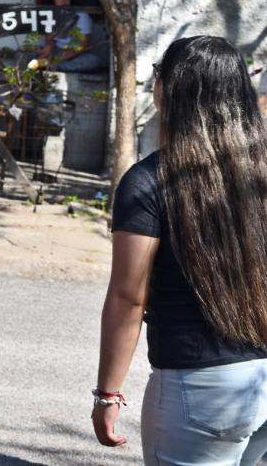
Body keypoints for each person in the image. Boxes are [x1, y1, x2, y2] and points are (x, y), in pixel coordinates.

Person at [93, 35, 267, 464]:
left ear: (170, 89)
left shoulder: (150, 181)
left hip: (199, 388)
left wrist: (107, 394)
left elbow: (128, 298)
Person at [38, 0, 106, 73]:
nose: (63, 1)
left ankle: (59, 67)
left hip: (77, 53)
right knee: (32, 57)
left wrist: (58, 59)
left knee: (93, 61)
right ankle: (53, 65)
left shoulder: (81, 15)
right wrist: (49, 48)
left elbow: (81, 45)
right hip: (57, 51)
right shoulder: (51, 15)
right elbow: (49, 40)